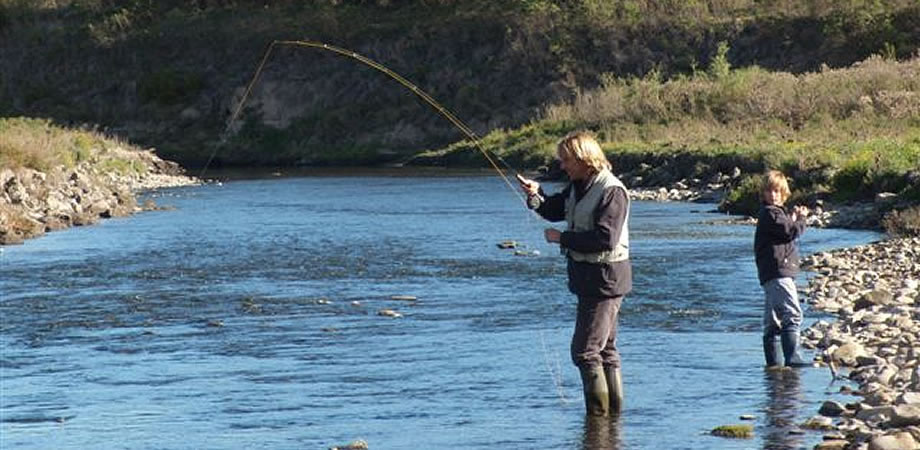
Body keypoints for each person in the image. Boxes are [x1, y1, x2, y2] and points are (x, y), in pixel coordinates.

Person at [516, 131, 631, 416]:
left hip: (605, 278)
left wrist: (561, 239)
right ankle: (611, 423)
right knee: (605, 351)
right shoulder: (578, 186)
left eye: (566, 160)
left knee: (585, 351)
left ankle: (598, 419)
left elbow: (606, 238)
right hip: (590, 277)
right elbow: (554, 209)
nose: (562, 165)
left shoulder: (612, 191)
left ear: (584, 159)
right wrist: (535, 195)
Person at [754, 170, 810, 368]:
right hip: (779, 271)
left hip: (770, 273)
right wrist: (802, 219)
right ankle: (793, 360)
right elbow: (789, 232)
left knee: (772, 321)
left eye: (777, 191)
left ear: (784, 193)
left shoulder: (772, 213)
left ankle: (773, 367)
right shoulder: (771, 212)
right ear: (763, 193)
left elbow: (784, 229)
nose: (773, 195)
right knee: (792, 315)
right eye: (769, 191)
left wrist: (792, 218)